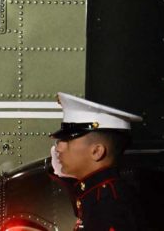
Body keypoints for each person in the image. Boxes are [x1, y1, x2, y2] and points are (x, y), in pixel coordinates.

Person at [49, 92, 143, 231]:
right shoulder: (96, 193)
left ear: (97, 151)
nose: (59, 147)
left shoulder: (109, 204)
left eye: (68, 140)